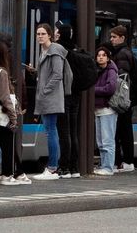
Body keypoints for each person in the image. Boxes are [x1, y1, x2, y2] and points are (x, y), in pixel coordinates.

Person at [0, 40, 29, 186]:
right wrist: (13, 116)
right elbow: (4, 96)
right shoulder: (1, 72)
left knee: (6, 144)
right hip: (3, 113)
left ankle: (19, 172)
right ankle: (7, 174)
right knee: (8, 144)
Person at [31, 23, 68, 180]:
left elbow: (57, 74)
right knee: (51, 130)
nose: (40, 36)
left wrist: (45, 90)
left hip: (50, 98)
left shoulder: (54, 51)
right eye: (38, 34)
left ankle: (52, 167)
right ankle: (53, 166)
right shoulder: (45, 51)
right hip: (47, 97)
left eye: (43, 34)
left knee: (51, 130)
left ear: (50, 35)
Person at [108, 25, 137, 173]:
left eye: (114, 37)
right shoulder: (124, 52)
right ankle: (125, 161)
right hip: (127, 99)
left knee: (122, 130)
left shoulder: (121, 54)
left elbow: (121, 79)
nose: (111, 39)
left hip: (122, 100)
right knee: (123, 130)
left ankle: (125, 161)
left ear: (122, 38)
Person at [54, 22, 81, 178]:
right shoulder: (75, 49)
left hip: (63, 94)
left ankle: (64, 167)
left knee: (64, 132)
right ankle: (74, 168)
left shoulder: (59, 49)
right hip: (75, 95)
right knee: (73, 131)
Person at [92, 45, 120, 175]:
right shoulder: (97, 70)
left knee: (107, 140)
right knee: (100, 141)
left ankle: (108, 167)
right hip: (98, 109)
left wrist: (94, 91)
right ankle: (104, 165)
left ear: (108, 58)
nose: (101, 57)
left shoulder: (111, 71)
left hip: (108, 109)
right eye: (99, 55)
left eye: (103, 55)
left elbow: (110, 88)